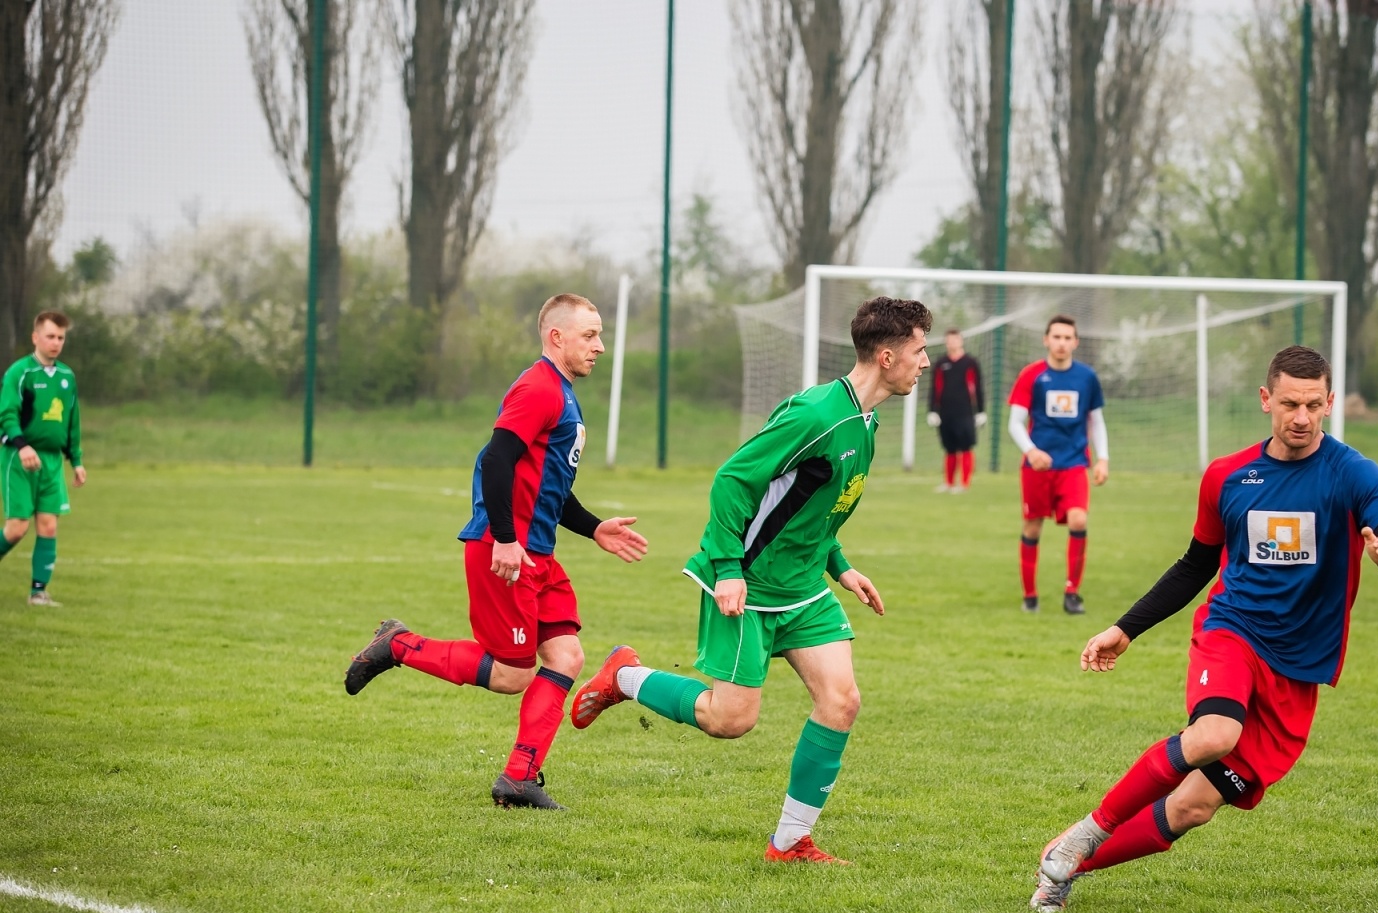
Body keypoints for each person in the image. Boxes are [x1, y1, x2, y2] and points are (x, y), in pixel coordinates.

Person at [1028, 345, 1378, 913]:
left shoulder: (1353, 474)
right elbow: (1196, 564)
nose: (1302, 417)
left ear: (1330, 403)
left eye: (1314, 405)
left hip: (1299, 668)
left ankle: (1063, 865)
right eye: (1290, 403)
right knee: (1215, 734)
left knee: (1193, 807)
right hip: (1233, 631)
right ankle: (1092, 828)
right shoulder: (1228, 476)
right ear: (1266, 399)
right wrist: (1127, 628)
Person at [567, 297, 932, 864]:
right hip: (750, 584)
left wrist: (841, 567)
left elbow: (808, 506)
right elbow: (734, 481)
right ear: (886, 357)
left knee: (842, 701)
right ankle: (626, 676)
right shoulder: (817, 415)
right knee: (731, 719)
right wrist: (731, 570)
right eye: (919, 350)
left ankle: (789, 843)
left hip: (805, 587)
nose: (925, 362)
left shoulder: (864, 421)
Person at [343, 294, 649, 810]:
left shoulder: (562, 394)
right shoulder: (538, 388)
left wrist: (594, 527)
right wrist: (505, 538)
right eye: (589, 335)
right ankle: (397, 645)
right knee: (512, 674)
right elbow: (497, 460)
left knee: (567, 655)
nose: (600, 346)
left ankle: (518, 780)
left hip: (538, 553)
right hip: (506, 550)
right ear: (556, 337)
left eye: (599, 335)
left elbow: (547, 485)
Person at [1007, 314, 1109, 615]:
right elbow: (1015, 422)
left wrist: (1103, 458)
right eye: (1057, 337)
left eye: (1068, 338)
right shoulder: (1032, 375)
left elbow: (1097, 421)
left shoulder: (1087, 377)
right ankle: (1030, 595)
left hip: (1074, 463)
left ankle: (1072, 593)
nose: (1062, 343)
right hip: (1038, 467)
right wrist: (1031, 451)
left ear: (1075, 342)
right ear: (1046, 340)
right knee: (1033, 526)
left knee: (1079, 520)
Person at [0, 310, 86, 607]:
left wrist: (76, 460)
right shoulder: (19, 372)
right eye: (50, 336)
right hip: (19, 458)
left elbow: (71, 421)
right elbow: (7, 414)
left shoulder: (66, 376)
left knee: (48, 525)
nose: (56, 342)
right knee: (17, 528)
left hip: (51, 462)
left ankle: (38, 593)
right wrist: (22, 445)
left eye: (61, 337)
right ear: (35, 337)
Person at [926, 328, 986, 492]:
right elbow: (935, 388)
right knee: (949, 447)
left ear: (961, 340)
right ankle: (949, 482)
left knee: (965, 446)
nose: (952, 342)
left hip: (965, 412)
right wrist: (932, 410)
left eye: (955, 339)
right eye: (949, 340)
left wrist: (980, 411)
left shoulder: (970, 362)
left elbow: (977, 387)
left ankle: (964, 483)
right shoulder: (940, 363)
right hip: (946, 412)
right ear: (946, 342)